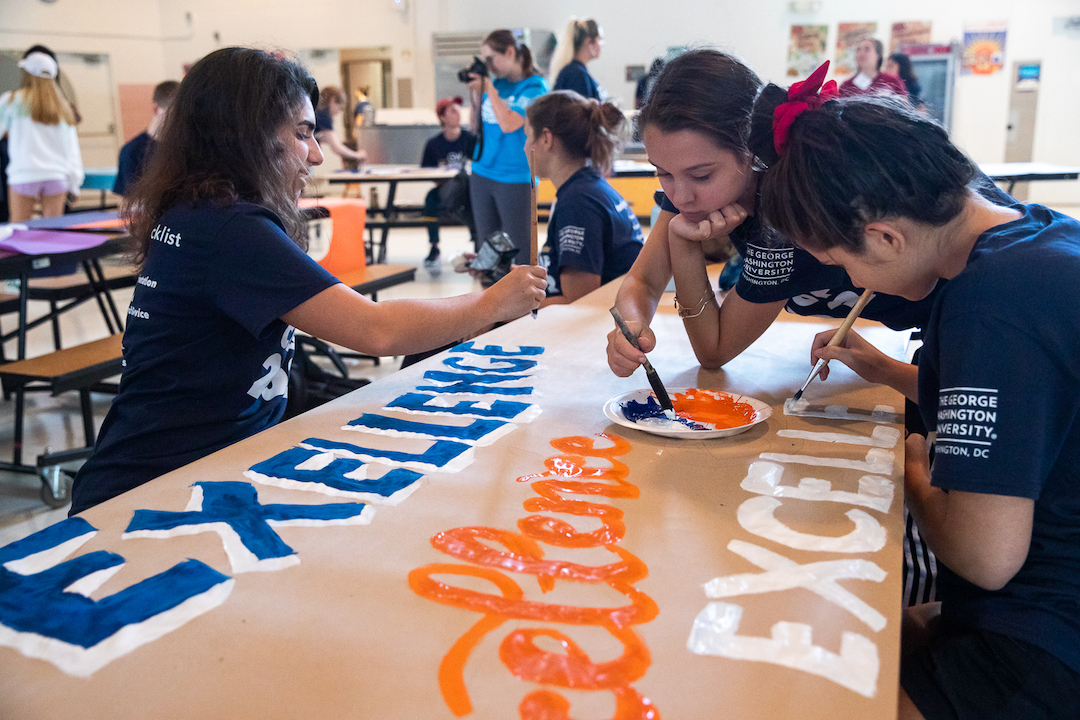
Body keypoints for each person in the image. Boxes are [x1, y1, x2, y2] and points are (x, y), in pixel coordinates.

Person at [606, 53, 1012, 606]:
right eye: (662, 174)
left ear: (753, 154)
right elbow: (640, 285)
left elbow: (714, 348)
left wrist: (684, 246)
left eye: (700, 176)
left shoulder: (790, 207)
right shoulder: (704, 195)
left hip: (961, 347)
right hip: (932, 359)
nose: (679, 196)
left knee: (917, 555)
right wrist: (633, 318)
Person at [69, 47, 546, 516]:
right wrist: (490, 303)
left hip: (198, 467)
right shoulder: (231, 229)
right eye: (302, 134)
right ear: (246, 136)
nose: (316, 155)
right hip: (150, 493)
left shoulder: (201, 213)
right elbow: (375, 330)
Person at [755, 91, 1080, 720]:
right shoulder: (1038, 241)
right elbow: (1030, 413)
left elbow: (986, 558)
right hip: (1041, 598)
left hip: (1041, 635)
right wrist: (882, 371)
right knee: (838, 626)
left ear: (885, 235)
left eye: (844, 261)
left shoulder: (990, 306)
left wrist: (912, 469)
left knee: (803, 677)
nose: (852, 282)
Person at [524, 90, 643, 305]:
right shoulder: (587, 188)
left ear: (546, 139)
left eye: (527, 136)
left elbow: (579, 302)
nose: (524, 147)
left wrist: (510, 309)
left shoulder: (579, 204)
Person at [467, 29, 549, 263]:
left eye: (491, 58)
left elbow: (509, 123)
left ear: (510, 52)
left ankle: (522, 298)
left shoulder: (535, 87)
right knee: (487, 249)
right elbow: (475, 127)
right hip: (482, 172)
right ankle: (488, 295)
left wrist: (489, 89)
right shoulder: (496, 85)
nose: (488, 65)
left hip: (516, 177)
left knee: (521, 247)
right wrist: (475, 96)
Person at [0, 47, 82, 222]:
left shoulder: (11, 101)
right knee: (54, 232)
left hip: (24, 175)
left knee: (19, 230)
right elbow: (72, 149)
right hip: (56, 176)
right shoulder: (63, 107)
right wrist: (75, 185)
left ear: (26, 72)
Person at [419, 96, 477, 275]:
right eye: (452, 110)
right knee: (430, 198)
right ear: (442, 117)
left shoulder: (470, 139)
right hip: (446, 189)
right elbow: (427, 172)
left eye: (458, 110)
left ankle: (477, 245)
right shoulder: (433, 144)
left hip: (468, 190)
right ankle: (434, 247)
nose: (458, 114)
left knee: (469, 195)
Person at [112, 80, 179, 196]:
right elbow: (127, 204)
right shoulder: (132, 151)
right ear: (156, 109)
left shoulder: (186, 148)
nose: (178, 121)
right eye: (173, 114)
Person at [550, 19, 605, 101]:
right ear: (588, 42)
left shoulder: (575, 71)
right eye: (600, 39)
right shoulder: (576, 74)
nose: (602, 44)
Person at [315, 85, 366, 167]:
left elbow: (332, 139)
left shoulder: (317, 110)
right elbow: (336, 147)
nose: (339, 112)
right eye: (340, 108)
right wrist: (358, 155)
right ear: (333, 100)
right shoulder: (323, 114)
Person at [839, 37, 907, 98]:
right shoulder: (846, 86)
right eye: (858, 49)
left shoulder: (893, 82)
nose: (861, 53)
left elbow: (903, 107)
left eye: (867, 49)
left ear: (878, 55)